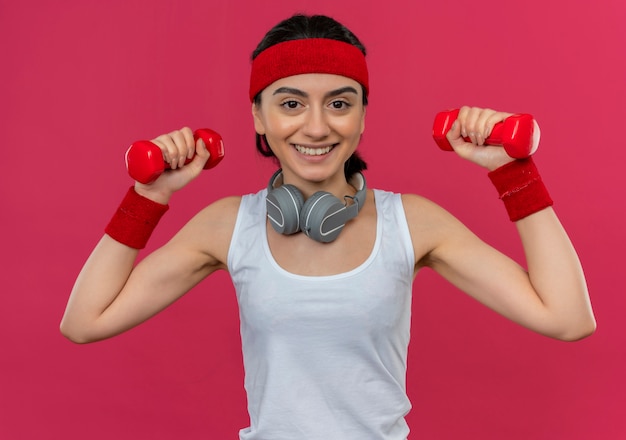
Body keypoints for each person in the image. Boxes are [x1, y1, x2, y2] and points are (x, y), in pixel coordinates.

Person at [60, 13, 596, 440]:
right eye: (290, 103)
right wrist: (148, 196)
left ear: (362, 115)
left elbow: (568, 318)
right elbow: (84, 322)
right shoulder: (227, 225)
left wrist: (512, 172)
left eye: (339, 103)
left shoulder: (411, 221)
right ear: (258, 117)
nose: (316, 126)